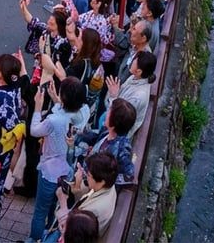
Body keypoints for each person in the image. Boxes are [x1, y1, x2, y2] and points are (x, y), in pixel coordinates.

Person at [28, 77, 91, 242]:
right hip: (67, 170)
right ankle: (49, 229)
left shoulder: (53, 121)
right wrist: (58, 100)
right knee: (53, 205)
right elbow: (66, 112)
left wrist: (38, 107)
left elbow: (34, 131)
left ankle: (35, 239)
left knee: (40, 210)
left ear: (64, 97)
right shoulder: (83, 112)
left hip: (49, 170)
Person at [46, 152, 118, 241]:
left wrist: (63, 203)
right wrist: (77, 185)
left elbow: (69, 230)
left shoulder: (94, 211)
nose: (86, 176)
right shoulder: (109, 185)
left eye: (89, 175)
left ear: (102, 181)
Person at [105, 51, 155, 140]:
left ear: (139, 71)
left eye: (133, 62)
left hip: (117, 133)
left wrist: (113, 97)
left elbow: (120, 118)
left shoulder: (137, 97)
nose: (131, 62)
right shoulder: (134, 77)